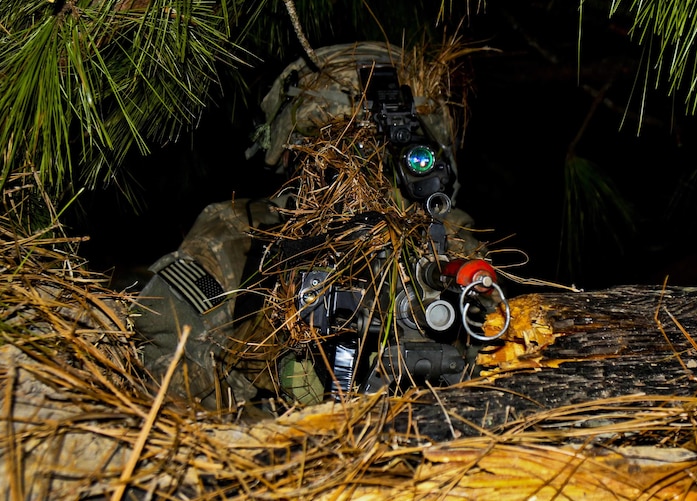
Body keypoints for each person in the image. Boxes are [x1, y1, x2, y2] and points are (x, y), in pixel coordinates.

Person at [130, 42, 508, 412]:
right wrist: (261, 356)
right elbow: (164, 374)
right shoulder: (241, 233)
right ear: (303, 154)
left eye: (382, 155)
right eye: (340, 150)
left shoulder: (449, 244)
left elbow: (498, 373)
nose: (363, 172)